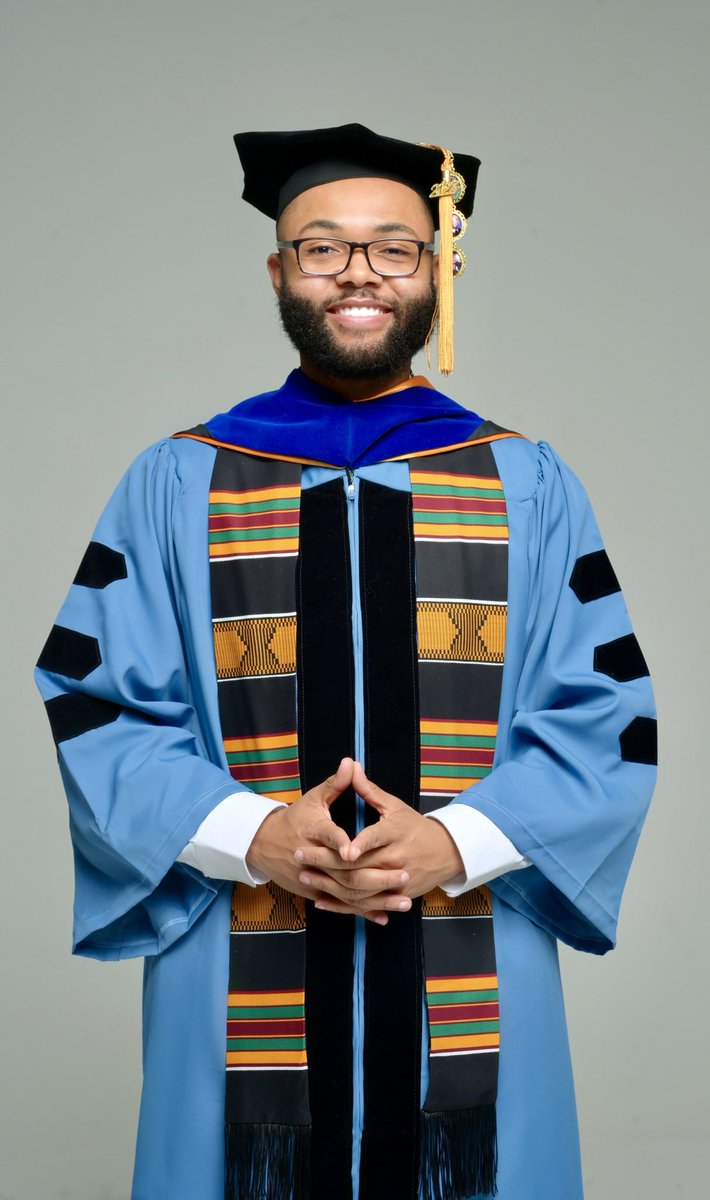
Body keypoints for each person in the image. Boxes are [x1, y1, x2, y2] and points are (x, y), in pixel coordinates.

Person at [35, 123, 657, 1200]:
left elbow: (605, 715)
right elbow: (97, 704)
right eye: (322, 247)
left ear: (439, 270)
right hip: (237, 961)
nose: (357, 272)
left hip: (471, 973)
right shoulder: (177, 481)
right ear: (278, 270)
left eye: (393, 247)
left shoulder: (525, 485)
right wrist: (253, 835)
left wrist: (454, 845)